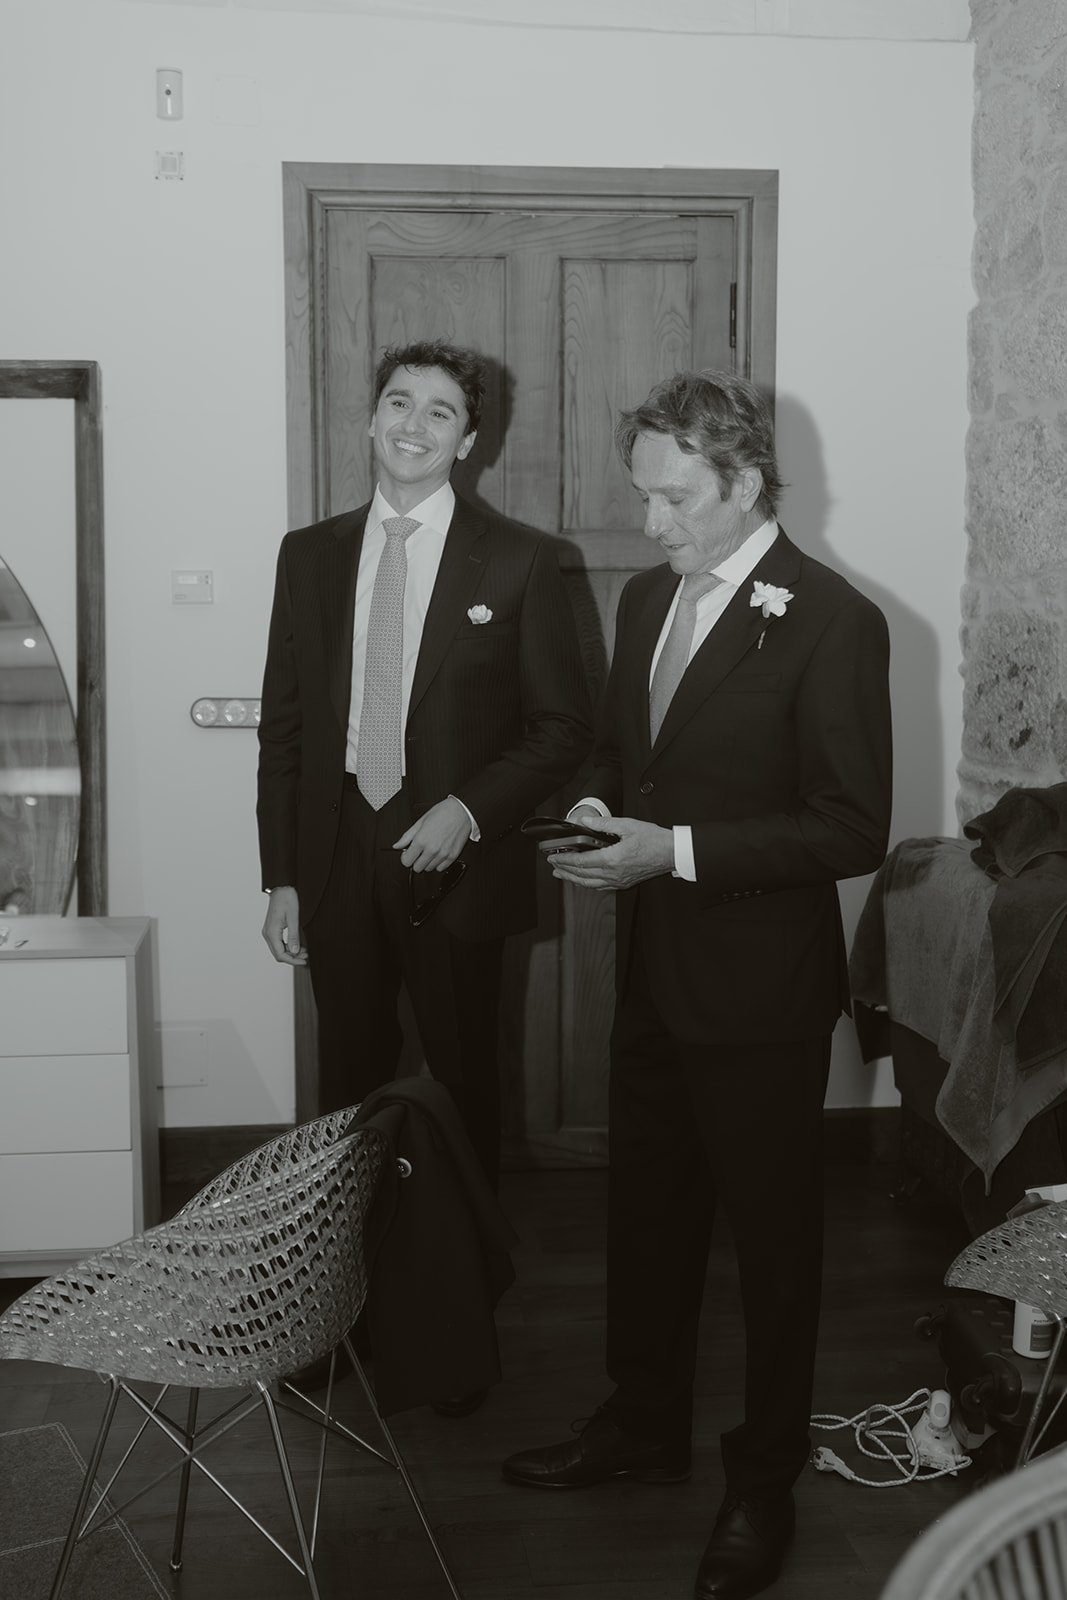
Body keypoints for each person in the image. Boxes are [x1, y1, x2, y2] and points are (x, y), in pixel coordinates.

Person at [501, 370, 892, 1600]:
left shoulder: (833, 618)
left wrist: (665, 853)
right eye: (643, 497)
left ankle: (761, 1482)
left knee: (775, 1250)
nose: (651, 524)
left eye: (673, 499)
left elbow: (847, 826)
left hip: (764, 994)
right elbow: (624, 754)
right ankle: (639, 1426)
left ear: (742, 482)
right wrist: (591, 814)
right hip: (652, 977)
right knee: (646, 1219)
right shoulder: (639, 601)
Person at [257, 339, 592, 1198]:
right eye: (400, 402)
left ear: (468, 440)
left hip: (458, 857)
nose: (415, 424)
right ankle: (347, 1267)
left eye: (440, 411)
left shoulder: (520, 559)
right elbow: (285, 732)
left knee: (463, 1075)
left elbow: (561, 727)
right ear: (372, 418)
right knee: (347, 1084)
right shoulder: (309, 554)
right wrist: (282, 878)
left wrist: (467, 812)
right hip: (335, 851)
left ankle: (463, 1269)